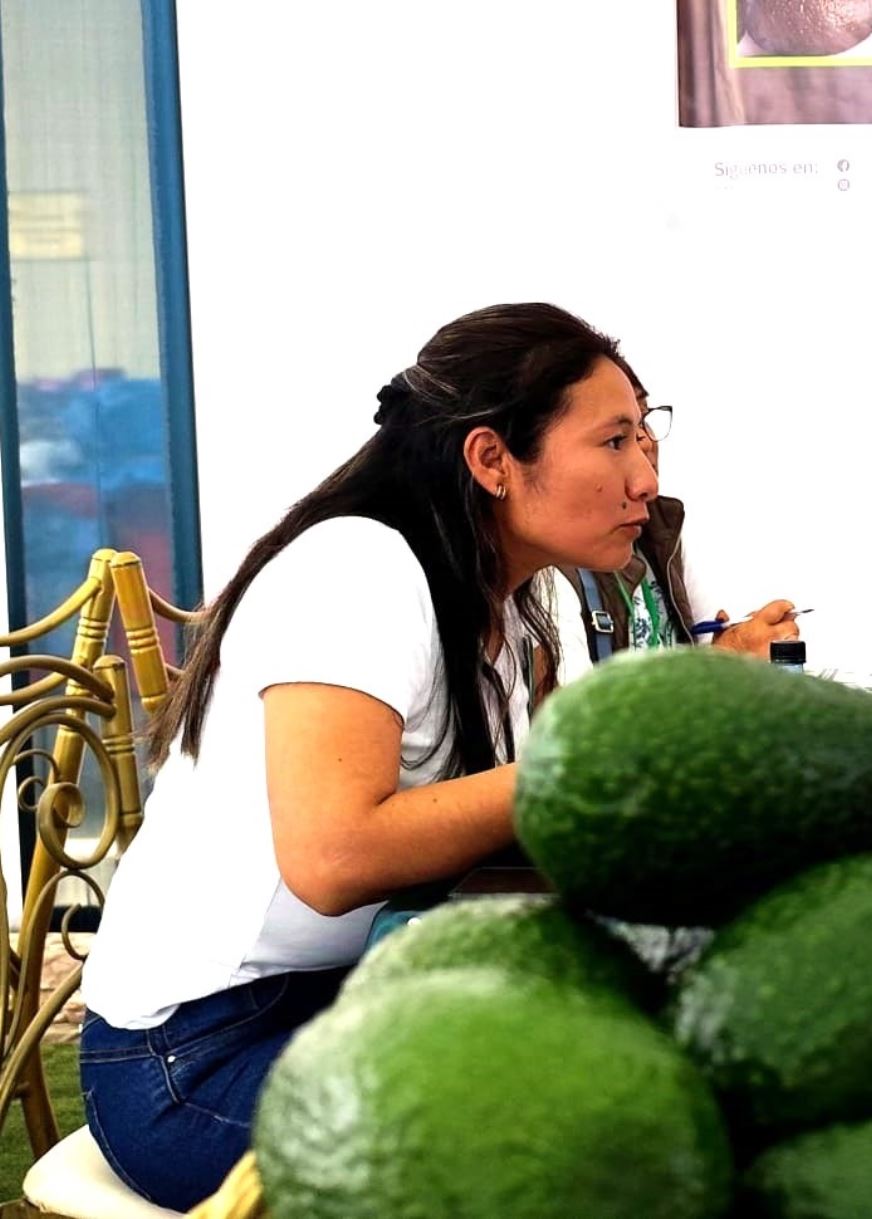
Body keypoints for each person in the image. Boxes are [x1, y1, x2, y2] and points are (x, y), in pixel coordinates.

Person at [77, 303, 658, 1208]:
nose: (646, 481)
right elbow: (335, 857)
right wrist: (586, 763)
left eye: (648, 437)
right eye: (615, 441)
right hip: (193, 1056)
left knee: (652, 1067)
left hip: (366, 989)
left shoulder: (530, 599)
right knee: (575, 1144)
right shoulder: (358, 569)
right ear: (491, 459)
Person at [552, 359, 799, 674]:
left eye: (645, 419)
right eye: (617, 436)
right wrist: (722, 663)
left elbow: (707, 640)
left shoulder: (661, 528)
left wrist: (736, 643)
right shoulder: (544, 568)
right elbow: (581, 718)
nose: (646, 442)